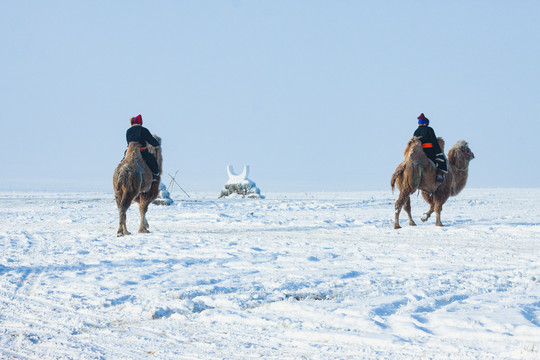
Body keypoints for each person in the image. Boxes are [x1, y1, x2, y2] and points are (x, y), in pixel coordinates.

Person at [414, 113, 447, 184]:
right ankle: (439, 177)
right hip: (430, 153)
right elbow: (434, 142)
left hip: (419, 153)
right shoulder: (429, 130)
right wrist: (439, 153)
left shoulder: (416, 131)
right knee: (442, 161)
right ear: (426, 123)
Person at [126, 114, 160, 182]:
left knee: (123, 160)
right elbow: (151, 140)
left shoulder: (128, 130)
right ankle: (154, 175)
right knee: (152, 160)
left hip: (129, 151)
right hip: (141, 151)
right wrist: (156, 144)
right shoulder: (143, 130)